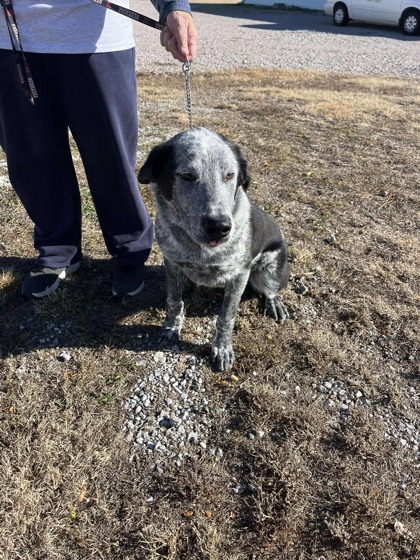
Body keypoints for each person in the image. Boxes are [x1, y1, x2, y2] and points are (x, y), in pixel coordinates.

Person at [0, 0, 198, 298]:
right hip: (10, 39)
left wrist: (174, 6)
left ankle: (129, 250)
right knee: (31, 157)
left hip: (96, 41)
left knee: (111, 158)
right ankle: (57, 249)